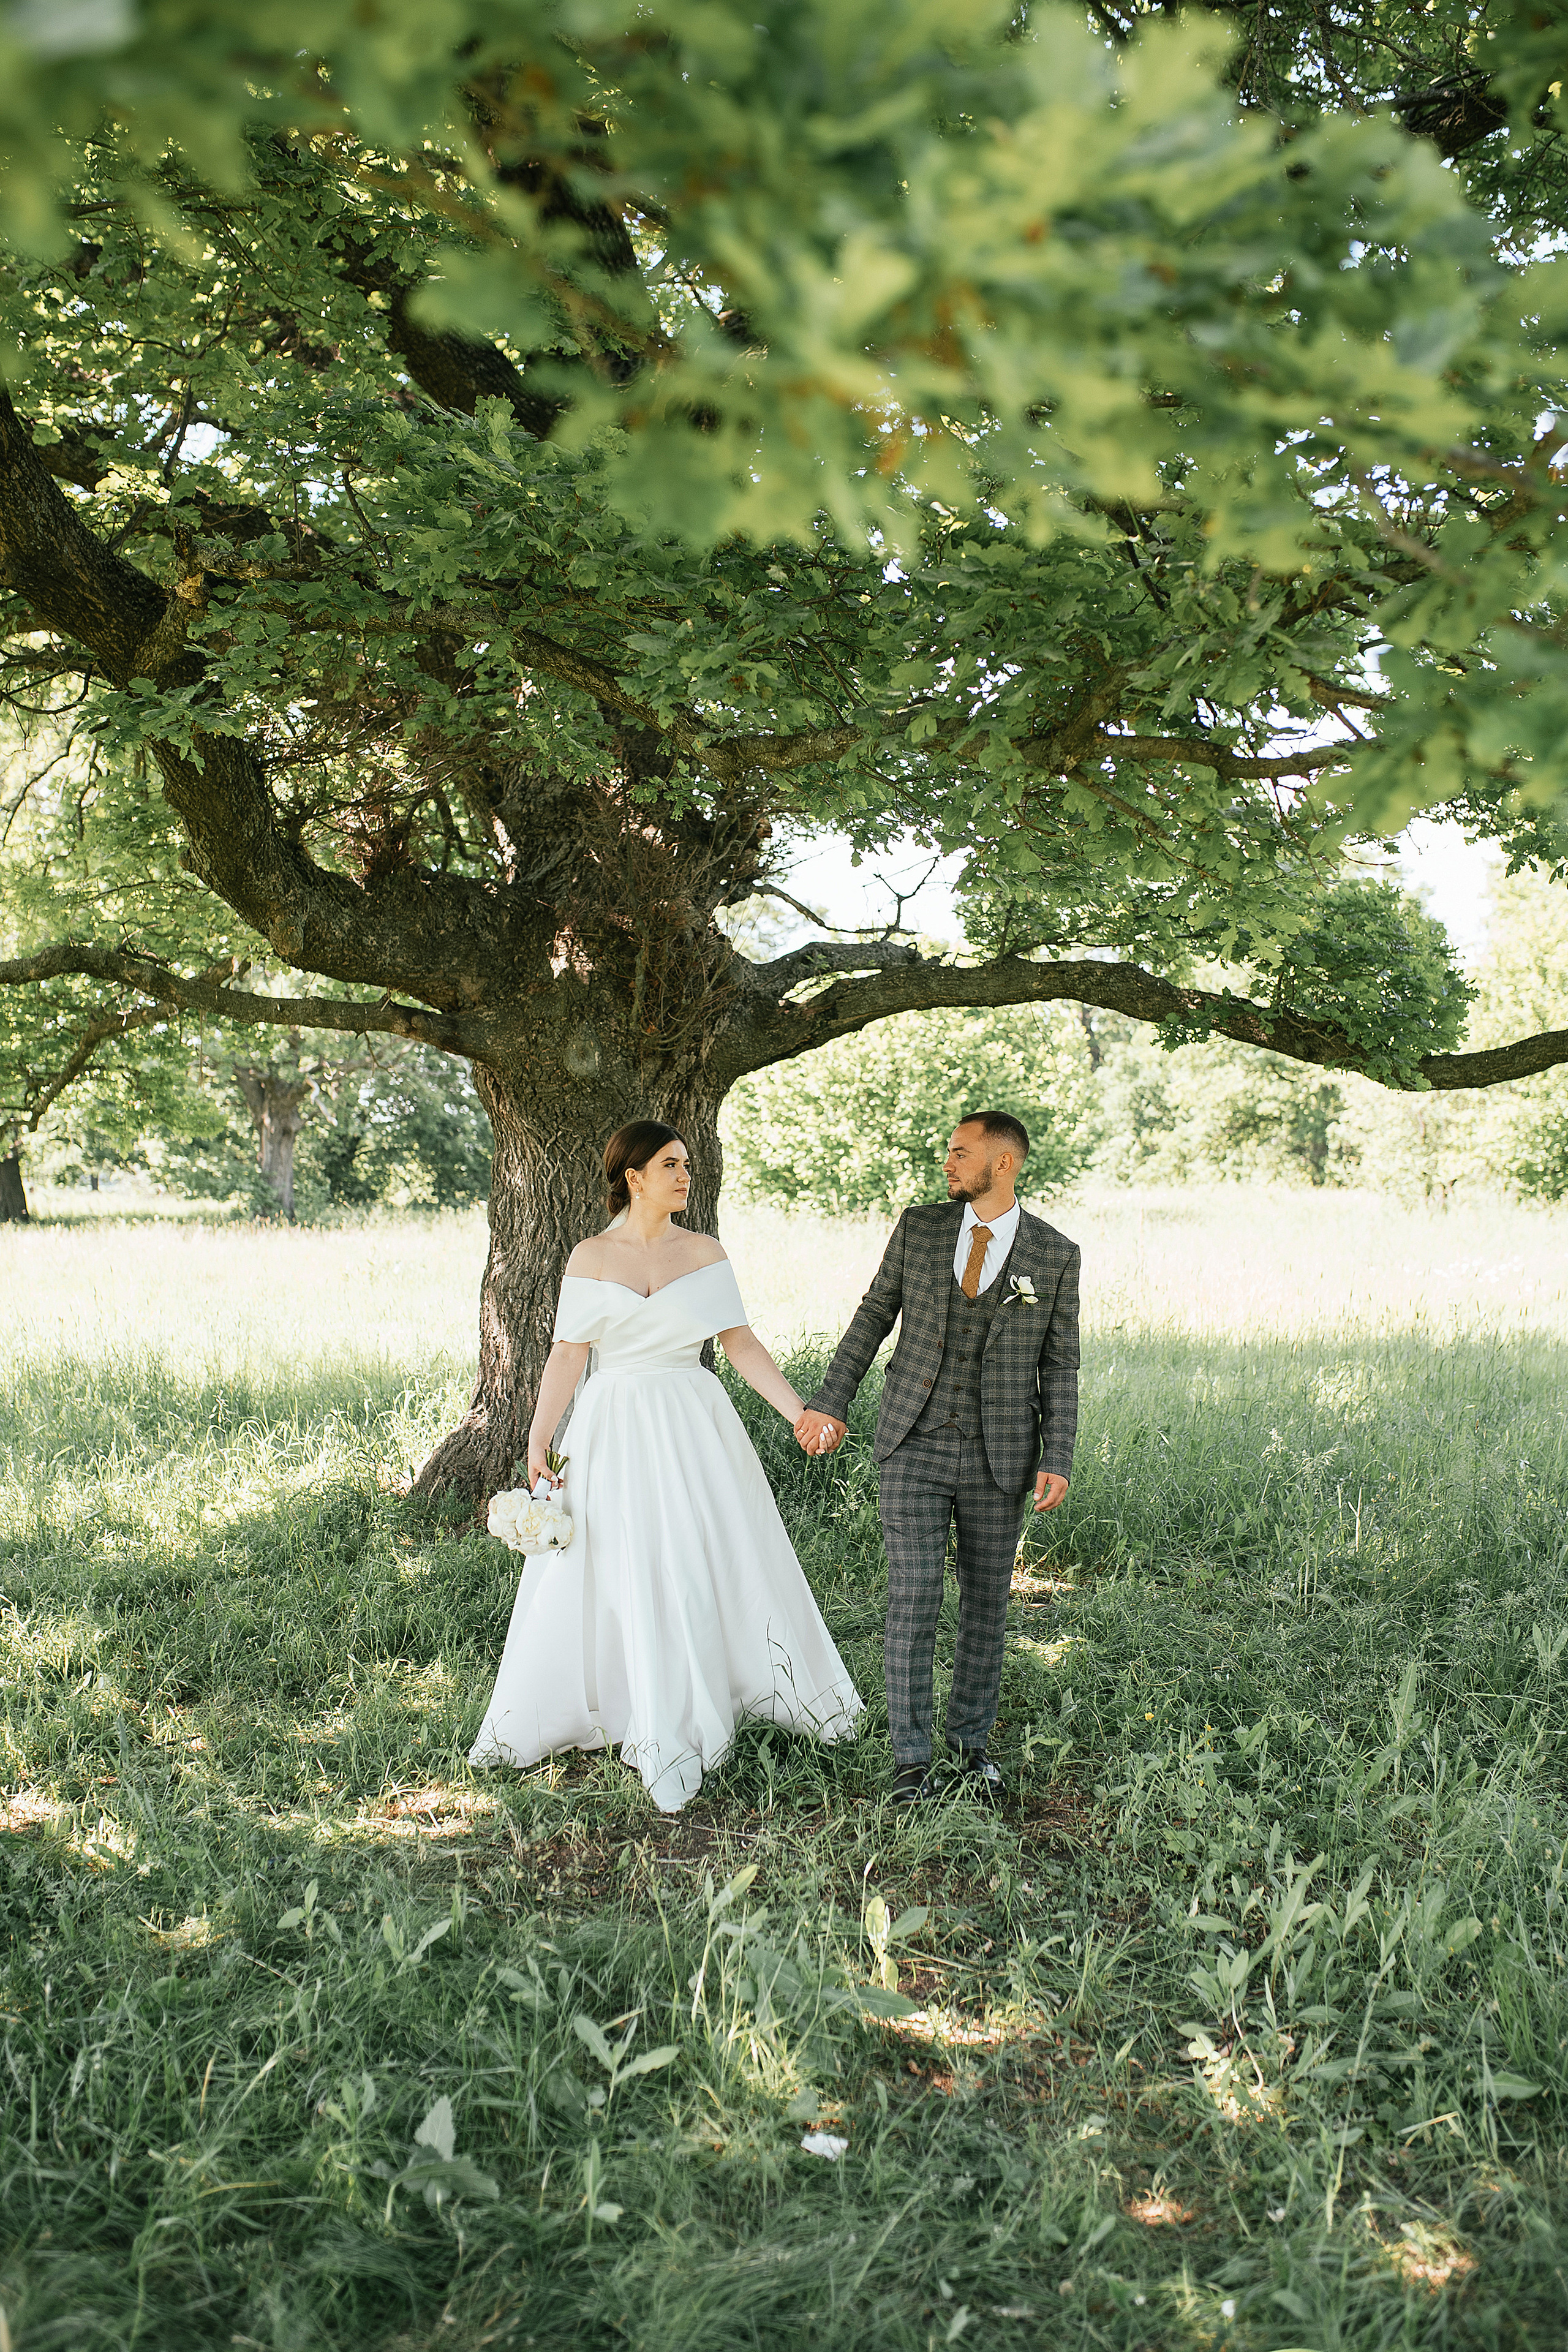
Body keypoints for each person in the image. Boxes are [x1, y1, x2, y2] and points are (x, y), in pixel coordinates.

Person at [469, 1120, 862, 1812]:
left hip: (691, 1418)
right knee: (617, 1556)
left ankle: (721, 1689)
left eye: (687, 1165)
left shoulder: (705, 1252)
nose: (685, 1176)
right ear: (634, 1176)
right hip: (613, 1420)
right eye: (671, 1165)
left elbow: (739, 1343)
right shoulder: (589, 1256)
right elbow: (567, 1354)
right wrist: (538, 1442)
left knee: (703, 1552)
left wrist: (798, 1411)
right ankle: (622, 1700)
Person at [793, 1112, 1080, 1807]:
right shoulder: (919, 1228)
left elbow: (1060, 1362)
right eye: (947, 1152)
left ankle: (971, 1747)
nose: (947, 1164)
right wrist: (830, 1402)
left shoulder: (1054, 1253)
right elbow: (872, 1315)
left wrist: (1059, 1456)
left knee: (986, 1603)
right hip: (911, 1441)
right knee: (914, 1596)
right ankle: (910, 1762)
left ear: (1004, 1162)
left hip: (1000, 1454)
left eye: (961, 1153)